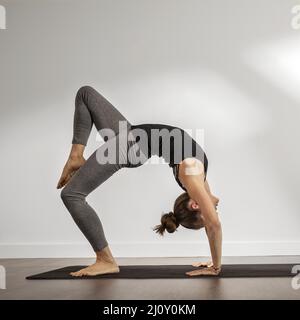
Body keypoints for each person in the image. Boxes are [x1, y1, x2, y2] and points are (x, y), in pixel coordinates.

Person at [57, 86, 222, 277]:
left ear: (194, 204)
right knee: (86, 94)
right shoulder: (197, 177)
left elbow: (213, 224)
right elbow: (213, 224)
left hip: (130, 147)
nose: (215, 211)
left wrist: (215, 264)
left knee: (71, 195)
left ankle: (105, 260)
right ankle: (76, 156)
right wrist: (215, 263)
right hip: (132, 134)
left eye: (209, 212)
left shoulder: (192, 175)